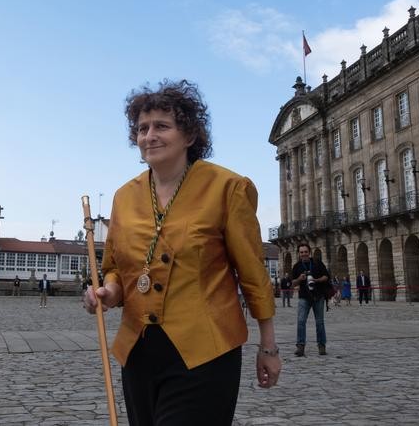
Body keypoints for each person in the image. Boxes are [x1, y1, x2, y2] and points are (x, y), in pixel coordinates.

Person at [82, 79, 280, 425]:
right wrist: (109, 291)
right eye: (142, 128)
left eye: (162, 126)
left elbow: (252, 273)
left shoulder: (228, 188)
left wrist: (268, 346)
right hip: (139, 354)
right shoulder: (123, 197)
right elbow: (114, 267)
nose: (149, 135)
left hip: (206, 352)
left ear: (189, 135)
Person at [291, 242, 329, 357]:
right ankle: (300, 346)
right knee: (301, 321)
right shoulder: (297, 266)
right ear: (299, 253)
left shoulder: (317, 263)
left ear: (309, 252)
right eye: (301, 252)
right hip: (304, 297)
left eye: (305, 252)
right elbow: (293, 283)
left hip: (318, 296)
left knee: (320, 322)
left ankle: (321, 346)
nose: (304, 254)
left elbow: (326, 276)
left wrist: (316, 280)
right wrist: (299, 278)